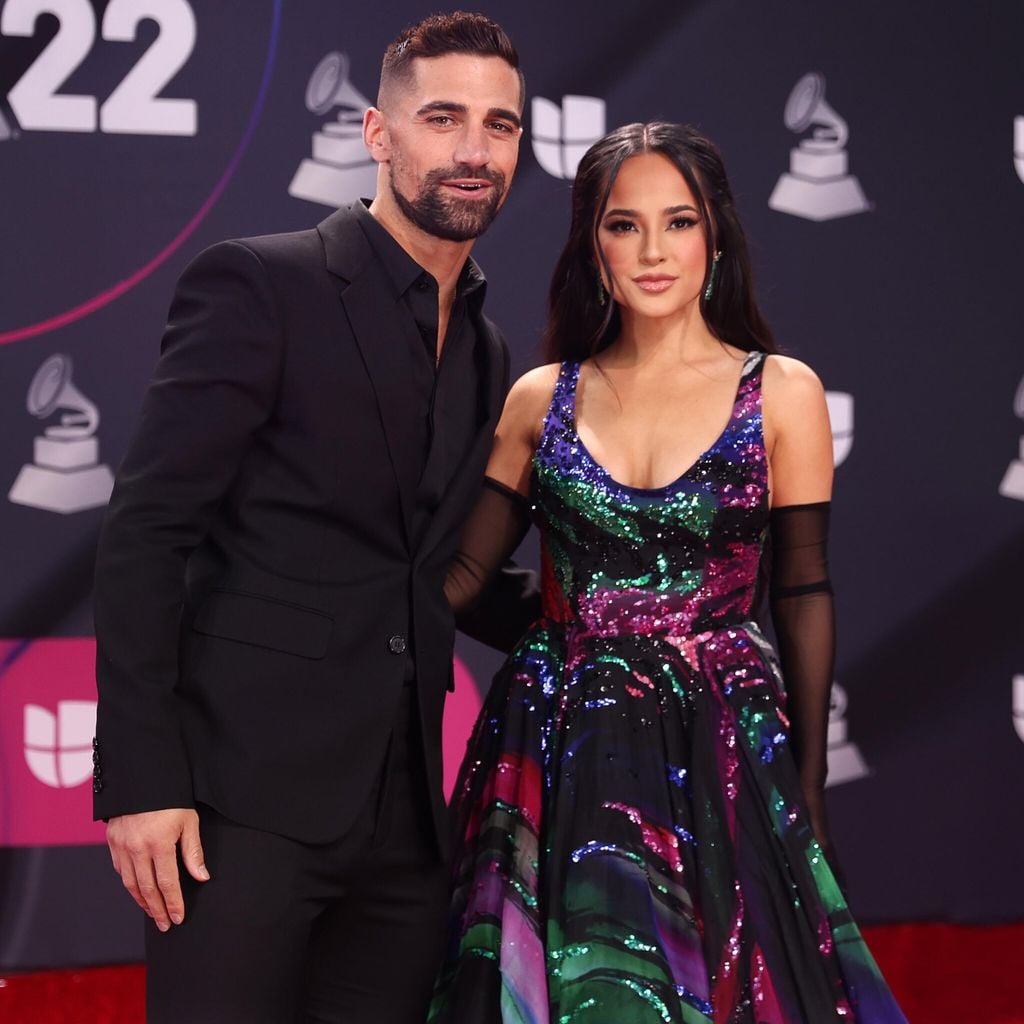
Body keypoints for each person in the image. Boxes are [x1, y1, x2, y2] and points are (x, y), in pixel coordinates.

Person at [91, 12, 537, 1023]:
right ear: (378, 135)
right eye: (443, 117)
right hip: (234, 810)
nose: (472, 151)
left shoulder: (488, 351)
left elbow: (441, 569)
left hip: (406, 825)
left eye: (499, 126)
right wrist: (140, 780)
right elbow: (145, 533)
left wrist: (635, 626)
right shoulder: (263, 283)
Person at [430, 123, 907, 1022]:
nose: (653, 251)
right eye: (624, 225)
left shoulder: (782, 391)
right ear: (592, 243)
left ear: (714, 237)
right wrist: (326, 608)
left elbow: (803, 590)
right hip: (558, 744)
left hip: (719, 741)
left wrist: (807, 788)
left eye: (678, 222)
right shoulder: (541, 396)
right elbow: (459, 579)